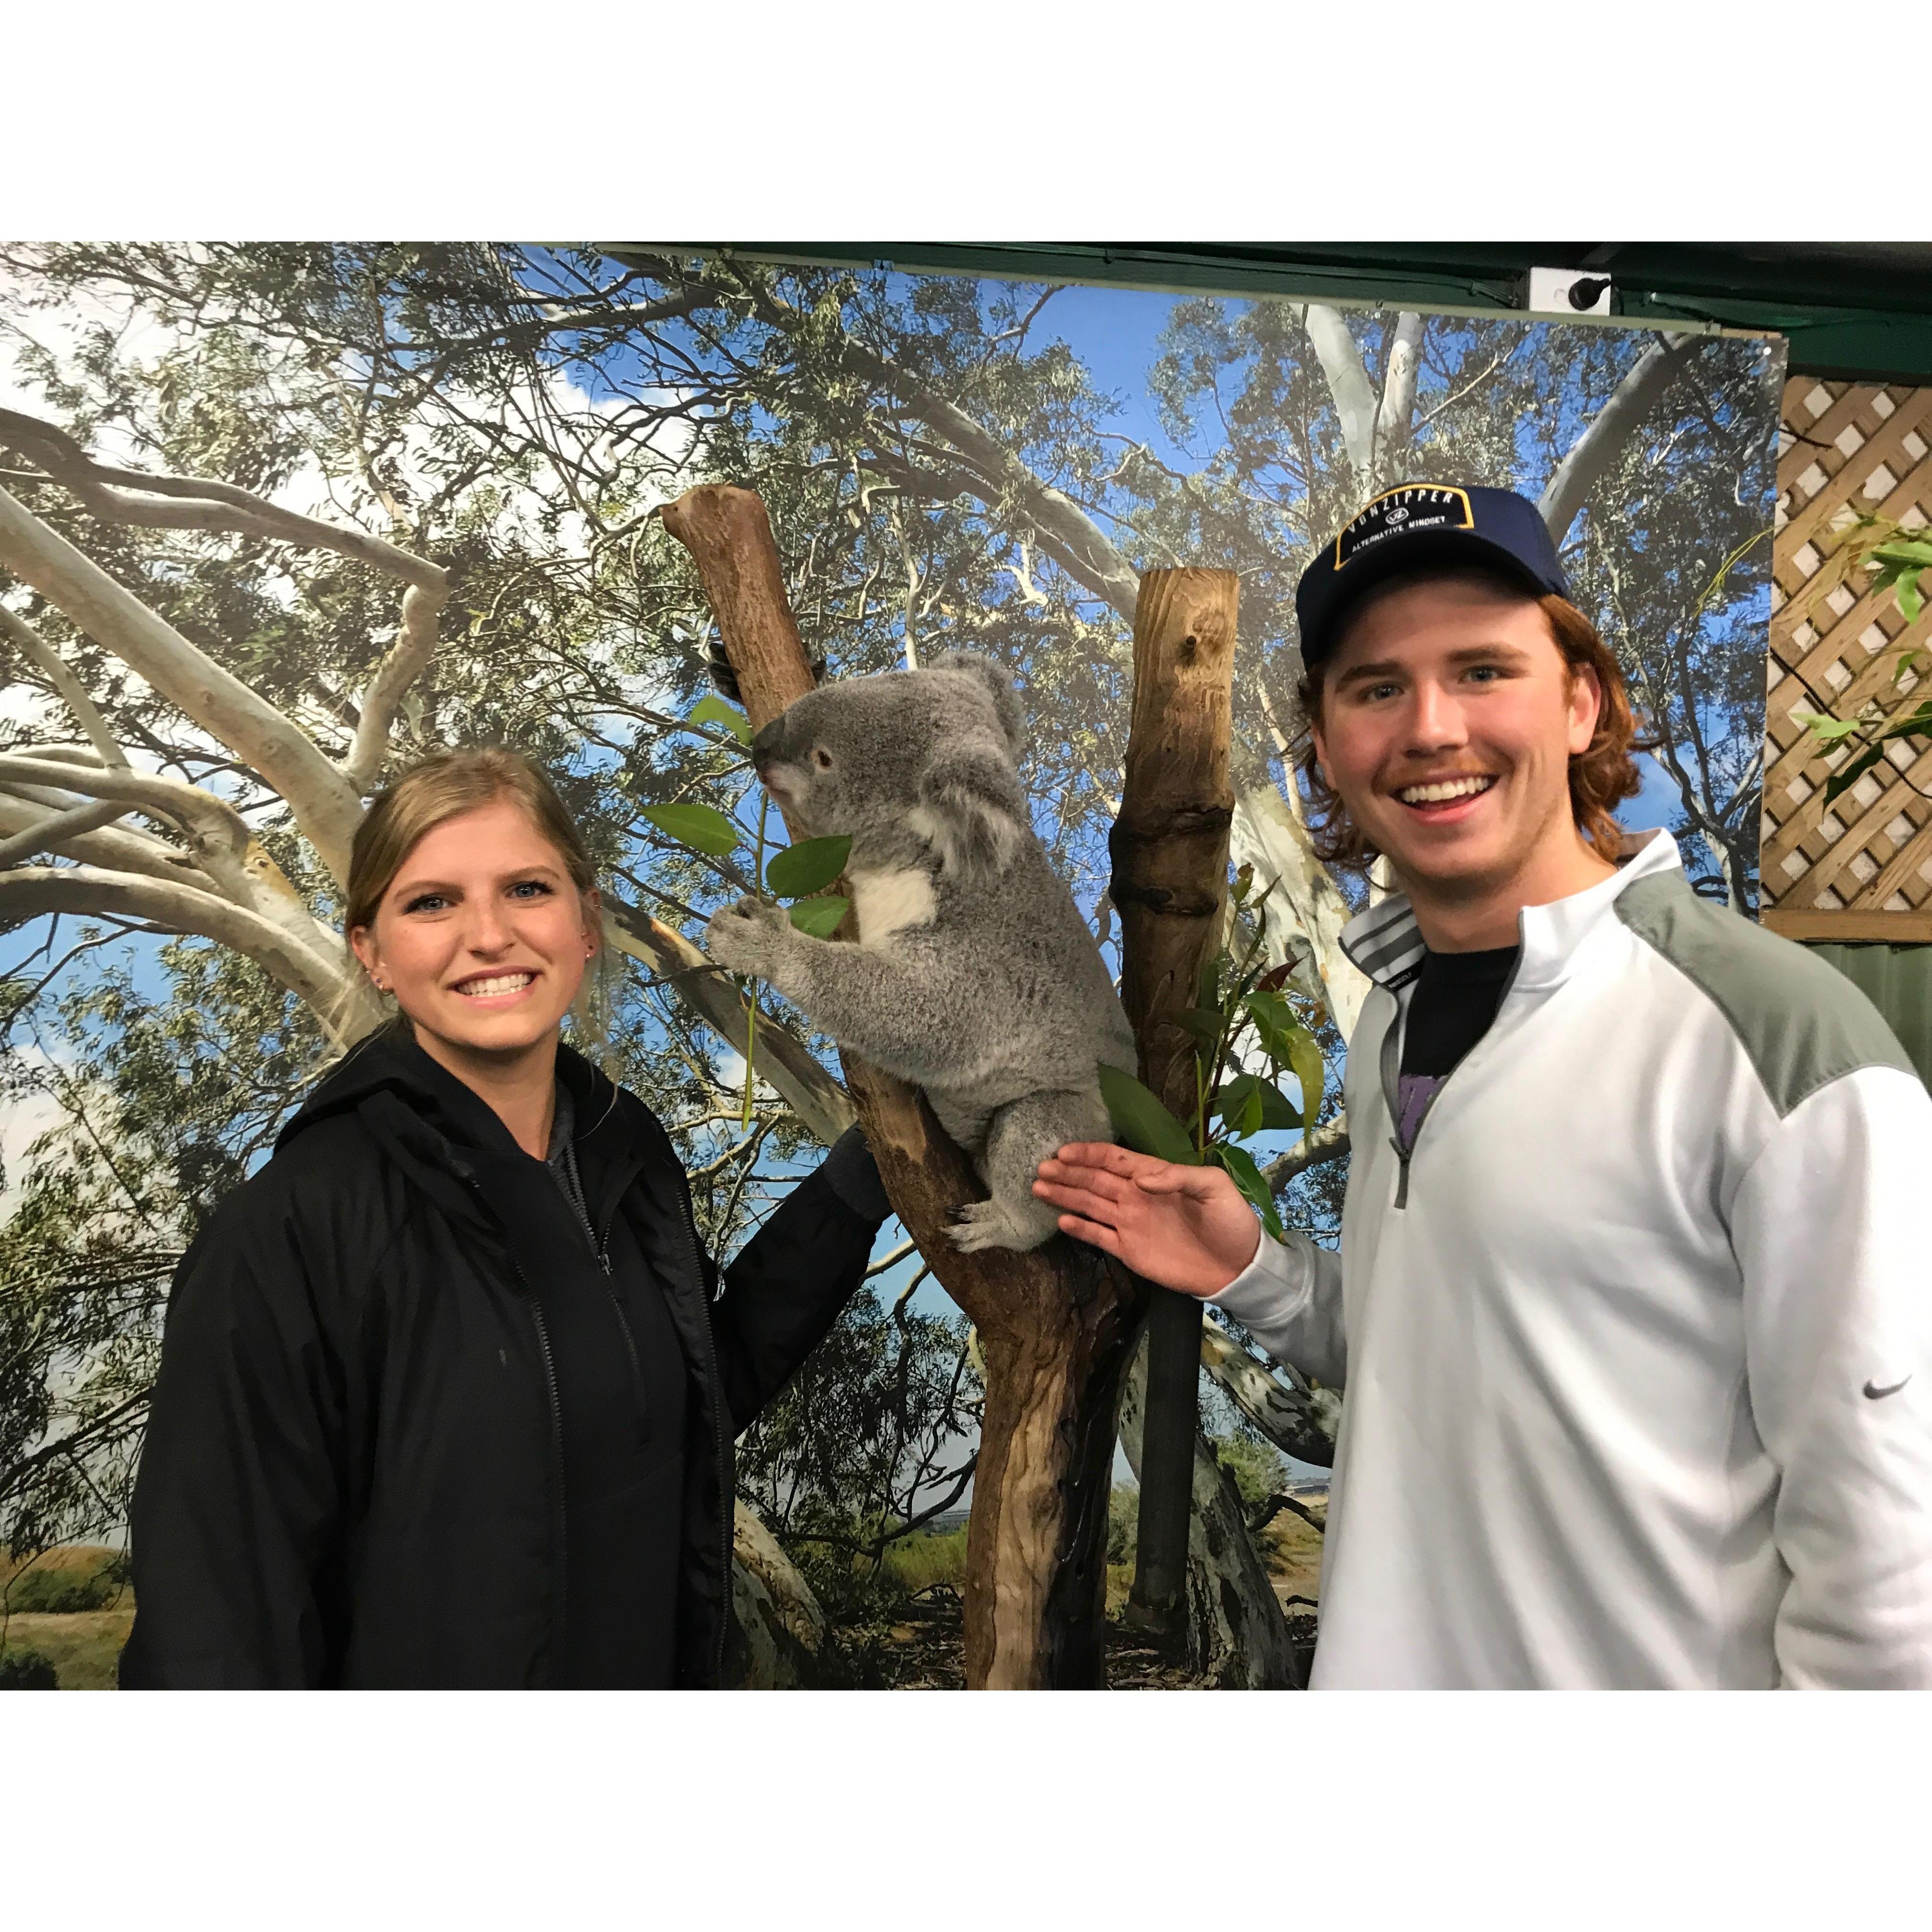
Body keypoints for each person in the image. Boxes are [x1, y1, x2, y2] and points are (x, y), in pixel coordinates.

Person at [1036, 482, 1932, 1689]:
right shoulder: (1394, 1019)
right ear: (1323, 748)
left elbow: (1892, 1574)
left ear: (1580, 700)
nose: (1430, 728)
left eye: (1482, 670)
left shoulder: (1768, 1043)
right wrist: (1256, 1271)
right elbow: (1457, 1342)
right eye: (1375, 688)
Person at [120, 748, 891, 1688]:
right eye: (431, 902)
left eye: (527, 889)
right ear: (372, 951)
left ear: (585, 924)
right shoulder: (290, 1233)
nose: (489, 935)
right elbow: (214, 1636)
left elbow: (692, 1398)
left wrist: (869, 1172)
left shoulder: (626, 1157)